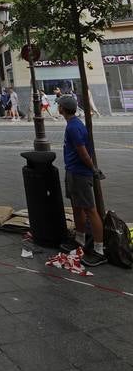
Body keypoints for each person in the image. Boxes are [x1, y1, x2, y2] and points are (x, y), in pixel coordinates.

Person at [58, 95, 106, 266]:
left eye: (59, 106)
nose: (58, 108)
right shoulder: (73, 124)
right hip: (72, 171)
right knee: (77, 207)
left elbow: (83, 151)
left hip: (79, 173)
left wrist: (93, 169)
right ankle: (80, 239)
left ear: (62, 109)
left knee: (90, 210)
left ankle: (100, 250)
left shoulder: (74, 127)